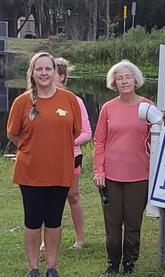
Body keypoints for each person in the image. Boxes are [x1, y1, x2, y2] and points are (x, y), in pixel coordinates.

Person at [6, 50, 81, 277]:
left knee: (54, 219)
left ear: (55, 72)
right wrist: (31, 149)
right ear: (32, 73)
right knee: (32, 219)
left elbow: (75, 131)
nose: (44, 73)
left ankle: (51, 266)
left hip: (60, 170)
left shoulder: (69, 100)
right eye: (39, 69)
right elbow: (12, 134)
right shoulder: (22, 102)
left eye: (48, 68)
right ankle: (33, 268)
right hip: (30, 171)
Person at [92, 59, 154, 277]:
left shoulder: (148, 107)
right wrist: (99, 171)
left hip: (139, 175)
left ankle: (130, 263)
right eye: (120, 78)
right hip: (111, 176)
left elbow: (158, 139)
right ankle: (112, 264)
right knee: (112, 222)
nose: (124, 81)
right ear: (114, 83)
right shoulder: (108, 108)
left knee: (133, 222)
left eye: (128, 77)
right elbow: (99, 141)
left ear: (136, 80)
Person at [54, 57, 91, 249]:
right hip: (46, 158)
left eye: (52, 72)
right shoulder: (36, 99)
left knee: (73, 196)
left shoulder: (75, 101)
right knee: (47, 197)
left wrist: (67, 142)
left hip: (71, 156)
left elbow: (86, 132)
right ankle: (47, 240)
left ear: (61, 76)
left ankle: (80, 239)